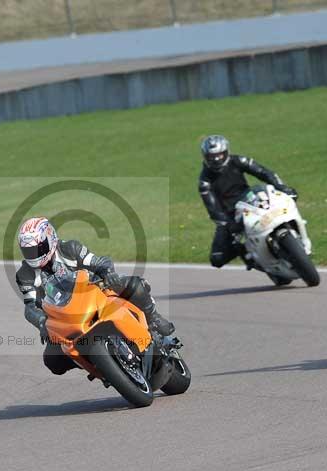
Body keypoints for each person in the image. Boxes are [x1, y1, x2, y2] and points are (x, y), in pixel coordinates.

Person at [15, 217, 175, 375]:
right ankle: (95, 361)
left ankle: (153, 317)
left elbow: (99, 262)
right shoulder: (24, 275)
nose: (33, 255)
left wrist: (108, 273)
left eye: (38, 249)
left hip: (94, 291)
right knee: (52, 361)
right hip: (63, 318)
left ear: (51, 238)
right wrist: (41, 322)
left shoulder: (70, 248)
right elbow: (30, 306)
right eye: (28, 251)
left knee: (134, 286)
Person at [198, 135, 297, 270]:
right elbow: (213, 209)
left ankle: (294, 233)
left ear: (226, 152)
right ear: (205, 156)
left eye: (219, 155)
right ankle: (248, 254)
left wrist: (280, 186)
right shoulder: (204, 181)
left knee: (282, 200)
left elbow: (263, 172)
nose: (216, 159)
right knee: (217, 258)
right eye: (212, 156)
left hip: (250, 199)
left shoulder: (238, 160)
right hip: (229, 216)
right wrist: (226, 224)